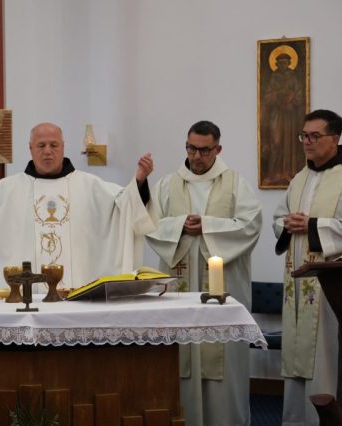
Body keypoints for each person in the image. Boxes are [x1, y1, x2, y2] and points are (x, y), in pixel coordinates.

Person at [0, 122, 155, 293]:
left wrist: (139, 182)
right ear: (30, 148)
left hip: (79, 299)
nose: (48, 151)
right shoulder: (9, 189)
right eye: (41, 146)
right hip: (28, 300)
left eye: (53, 145)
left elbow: (125, 206)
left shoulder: (90, 186)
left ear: (63, 147)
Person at [146, 121, 262, 426]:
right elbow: (149, 224)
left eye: (204, 150)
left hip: (223, 288)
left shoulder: (235, 183)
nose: (196, 156)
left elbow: (251, 225)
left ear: (218, 149)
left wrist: (207, 226)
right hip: (179, 288)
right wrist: (179, 225)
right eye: (191, 148)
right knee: (179, 359)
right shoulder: (168, 184)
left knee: (224, 363)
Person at [273, 109, 342, 425]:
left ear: (335, 138)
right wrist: (287, 224)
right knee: (298, 359)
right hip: (299, 286)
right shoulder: (299, 178)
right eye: (303, 135)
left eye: (314, 136)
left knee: (328, 359)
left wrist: (314, 225)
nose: (307, 141)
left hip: (335, 290)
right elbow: (279, 217)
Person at [262, 51, 306, 186]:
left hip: (290, 115)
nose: (282, 65)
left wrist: (292, 101)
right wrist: (279, 97)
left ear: (289, 63)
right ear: (276, 64)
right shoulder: (273, 78)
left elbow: (299, 95)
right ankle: (274, 173)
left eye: (285, 62)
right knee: (276, 141)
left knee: (290, 143)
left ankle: (289, 172)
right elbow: (267, 97)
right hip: (277, 114)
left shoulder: (293, 78)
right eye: (280, 63)